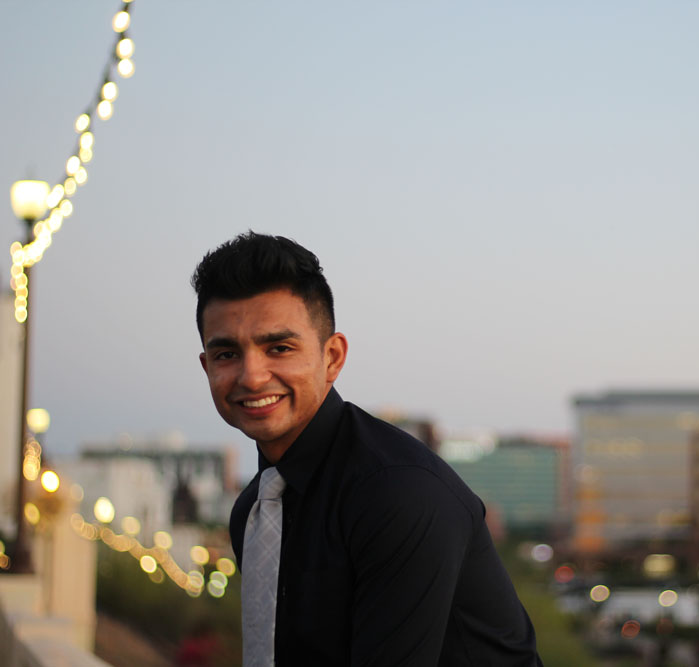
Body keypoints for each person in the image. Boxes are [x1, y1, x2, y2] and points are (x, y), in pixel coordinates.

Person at [191, 232, 542, 666]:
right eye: (227, 354)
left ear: (333, 357)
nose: (252, 376)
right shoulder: (255, 509)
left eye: (278, 348)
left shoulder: (398, 493)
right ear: (207, 367)